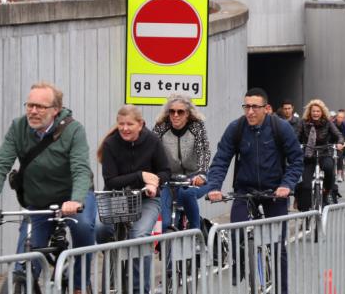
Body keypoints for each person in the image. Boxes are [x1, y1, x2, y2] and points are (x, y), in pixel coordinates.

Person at [0, 82, 95, 294]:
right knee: (26, 254)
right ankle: (23, 284)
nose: (33, 111)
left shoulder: (74, 130)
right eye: (30, 105)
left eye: (40, 107)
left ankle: (79, 284)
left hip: (74, 198)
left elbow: (80, 169)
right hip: (39, 201)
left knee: (84, 227)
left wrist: (76, 200)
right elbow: (0, 165)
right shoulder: (18, 127)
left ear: (55, 110)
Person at [205, 87, 303, 294]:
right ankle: (241, 268)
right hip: (245, 190)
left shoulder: (280, 128)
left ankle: (281, 290)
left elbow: (296, 160)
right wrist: (214, 187)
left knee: (277, 246)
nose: (250, 112)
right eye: (246, 106)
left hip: (274, 192)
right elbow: (221, 160)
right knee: (236, 232)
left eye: (254, 107)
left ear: (266, 108)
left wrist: (286, 185)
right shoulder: (236, 128)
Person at [96, 104, 171, 293]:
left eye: (129, 124)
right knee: (101, 228)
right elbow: (111, 180)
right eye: (121, 124)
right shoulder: (110, 144)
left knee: (139, 237)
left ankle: (140, 290)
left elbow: (165, 171)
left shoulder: (153, 141)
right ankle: (111, 275)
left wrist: (155, 183)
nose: (125, 128)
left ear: (140, 124)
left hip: (146, 199)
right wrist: (141, 176)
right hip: (116, 197)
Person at [151, 94, 210, 231]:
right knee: (165, 223)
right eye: (172, 111)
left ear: (187, 114)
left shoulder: (197, 127)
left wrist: (201, 174)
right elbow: (151, 152)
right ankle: (166, 250)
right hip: (168, 178)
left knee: (188, 194)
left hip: (194, 176)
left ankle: (196, 232)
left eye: (180, 111)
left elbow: (204, 152)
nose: (175, 115)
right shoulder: (161, 127)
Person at [295, 99, 345, 209]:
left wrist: (340, 143)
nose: (315, 113)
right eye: (313, 111)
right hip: (308, 155)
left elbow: (339, 135)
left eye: (318, 111)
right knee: (306, 185)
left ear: (322, 112)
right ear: (309, 112)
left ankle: (326, 192)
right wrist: (296, 145)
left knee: (329, 168)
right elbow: (296, 137)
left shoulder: (327, 123)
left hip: (324, 153)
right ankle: (305, 211)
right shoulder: (303, 122)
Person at [333, 109, 345, 183]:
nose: (340, 119)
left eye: (342, 117)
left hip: (341, 141)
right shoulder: (332, 123)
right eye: (339, 117)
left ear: (344, 118)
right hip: (332, 141)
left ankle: (339, 174)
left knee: (340, 156)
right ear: (336, 117)